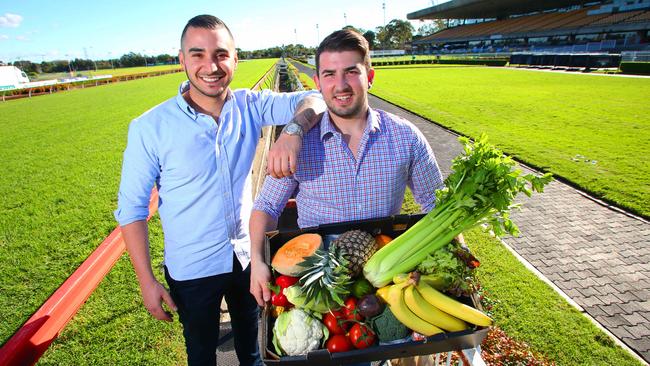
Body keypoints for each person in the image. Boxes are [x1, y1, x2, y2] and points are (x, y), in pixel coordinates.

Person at [114, 14, 324, 366]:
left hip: (247, 258)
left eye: (221, 54)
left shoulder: (250, 106)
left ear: (235, 59)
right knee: (201, 354)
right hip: (191, 269)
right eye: (197, 55)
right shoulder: (149, 128)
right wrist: (147, 281)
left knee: (253, 348)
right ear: (181, 60)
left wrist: (292, 132)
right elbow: (132, 209)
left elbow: (315, 98)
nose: (211, 66)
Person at [250, 29, 448, 306]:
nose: (340, 85)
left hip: (384, 277)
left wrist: (454, 254)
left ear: (369, 76)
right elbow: (266, 207)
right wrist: (258, 260)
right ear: (318, 82)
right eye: (330, 74)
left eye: (351, 72)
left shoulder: (406, 136)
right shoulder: (299, 144)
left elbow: (435, 203)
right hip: (318, 280)